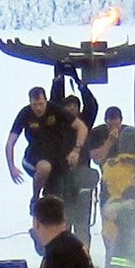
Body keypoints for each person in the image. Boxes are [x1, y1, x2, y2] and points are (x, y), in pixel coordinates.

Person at [5, 87, 88, 212]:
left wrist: (76, 151)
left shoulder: (55, 110)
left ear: (46, 101)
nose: (38, 108)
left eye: (41, 104)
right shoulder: (25, 113)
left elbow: (82, 127)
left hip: (57, 157)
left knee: (59, 196)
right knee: (45, 167)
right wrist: (11, 167)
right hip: (33, 157)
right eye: (34, 105)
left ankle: (54, 218)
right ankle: (35, 198)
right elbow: (10, 142)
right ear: (30, 102)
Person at [50, 66, 99, 248]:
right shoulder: (57, 124)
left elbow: (92, 105)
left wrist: (80, 83)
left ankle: (84, 256)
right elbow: (53, 103)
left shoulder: (84, 122)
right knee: (62, 220)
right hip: (62, 178)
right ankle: (62, 257)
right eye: (68, 105)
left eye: (74, 105)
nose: (71, 108)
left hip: (82, 180)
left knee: (82, 223)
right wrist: (58, 79)